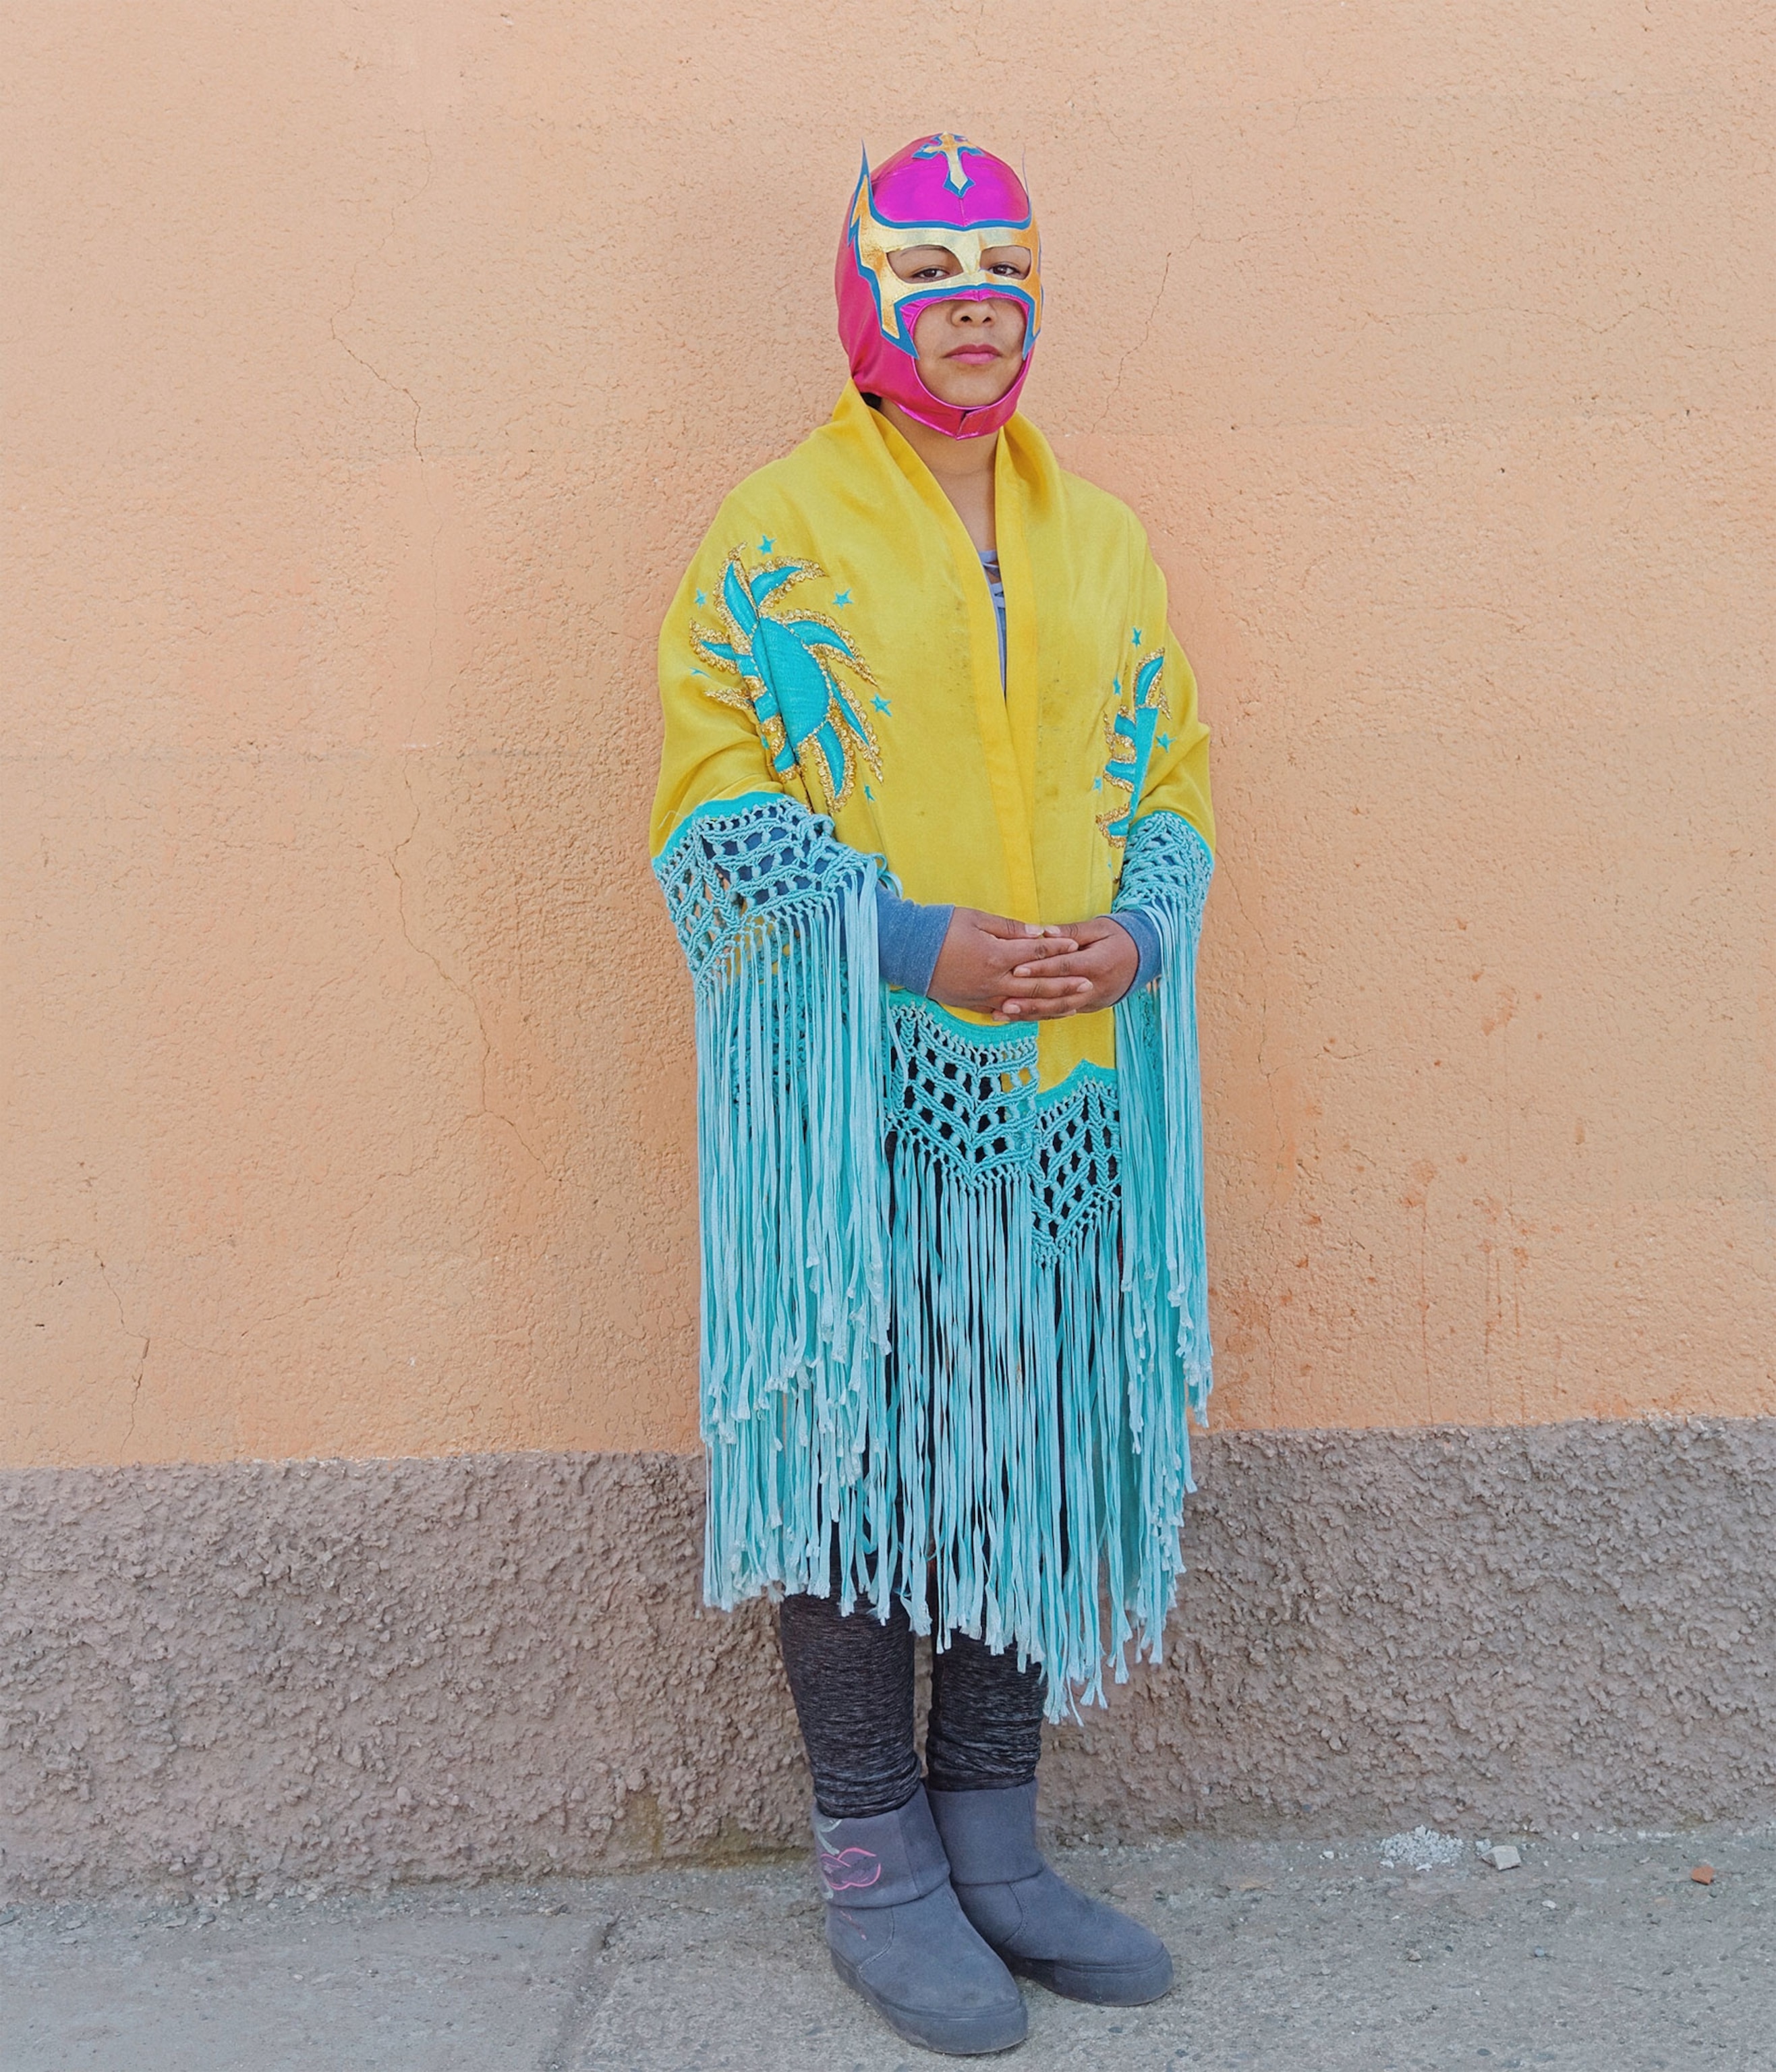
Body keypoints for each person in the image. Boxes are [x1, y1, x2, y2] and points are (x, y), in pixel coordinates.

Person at [650, 132, 1215, 2056]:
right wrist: (907, 947)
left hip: (1065, 1087)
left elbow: (1172, 774)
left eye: (1002, 273)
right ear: (865, 295)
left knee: (1023, 1443)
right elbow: (710, 799)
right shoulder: (772, 534)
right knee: (864, 1448)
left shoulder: (1101, 541)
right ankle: (874, 1857)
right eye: (933, 270)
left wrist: (1134, 936)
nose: (974, 303)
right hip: (863, 1087)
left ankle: (996, 1833)